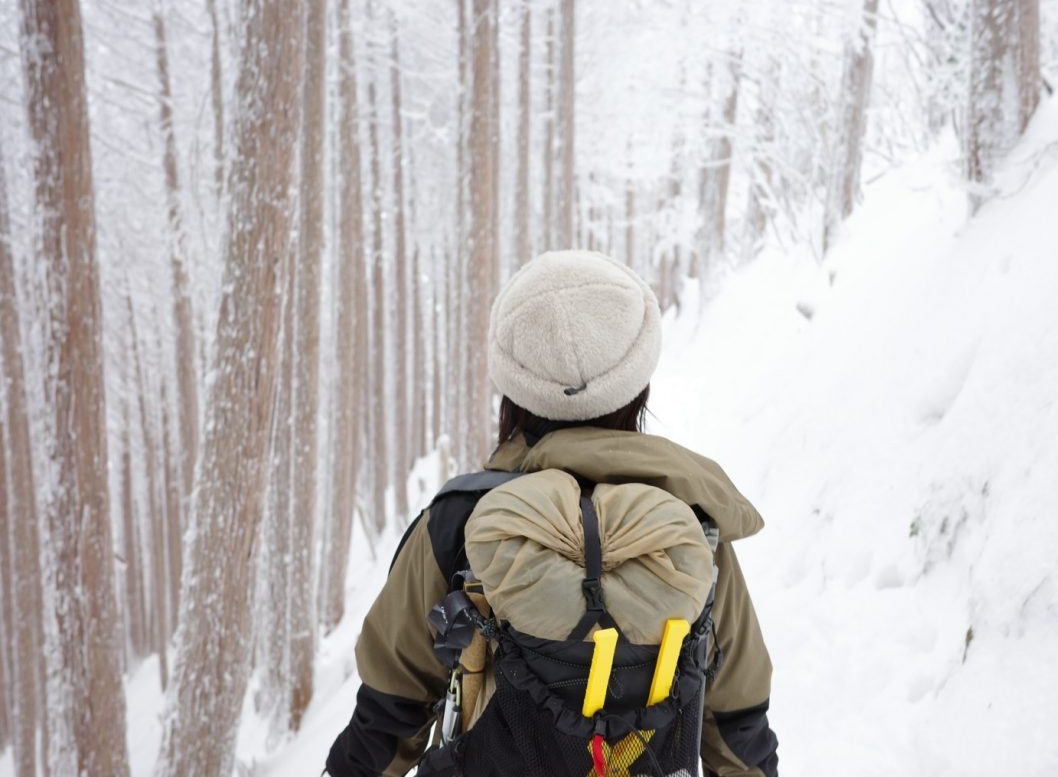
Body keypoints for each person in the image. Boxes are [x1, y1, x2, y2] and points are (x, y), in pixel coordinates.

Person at [325, 250, 779, 776]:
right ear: (639, 388)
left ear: (512, 393)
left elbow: (386, 714)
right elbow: (740, 724)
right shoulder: (688, 528)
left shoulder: (460, 524)